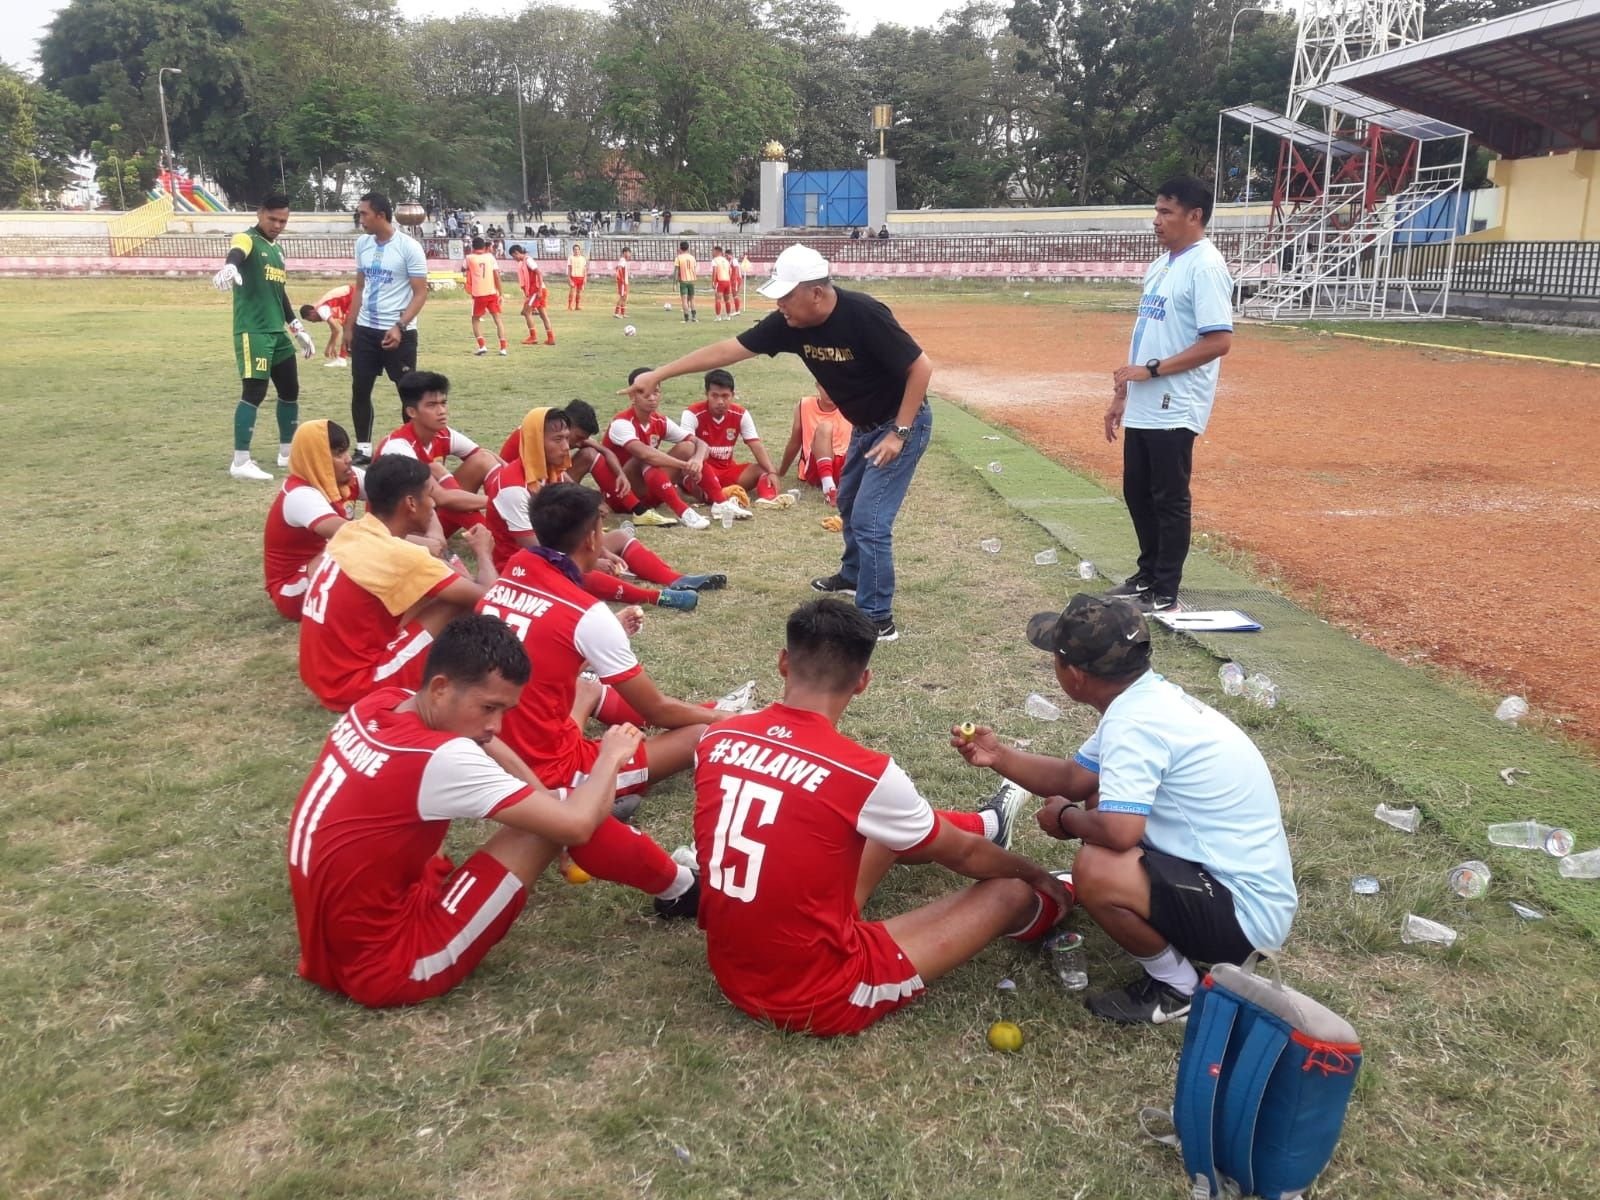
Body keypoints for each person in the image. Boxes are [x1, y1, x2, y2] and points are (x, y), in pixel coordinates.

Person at [691, 598, 1071, 1037]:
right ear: (863, 682)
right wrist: (1037, 874)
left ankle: (990, 825)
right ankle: (1057, 900)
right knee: (1009, 891)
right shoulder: (865, 773)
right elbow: (964, 855)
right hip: (815, 995)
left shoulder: (716, 736)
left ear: (783, 662)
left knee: (882, 826)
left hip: (731, 966)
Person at [286, 613, 688, 1009]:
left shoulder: (382, 703)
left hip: (336, 937)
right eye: (489, 707)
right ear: (440, 689)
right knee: (561, 816)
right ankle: (683, 890)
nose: (496, 725)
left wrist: (549, 801)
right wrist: (609, 758)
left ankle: (643, 855)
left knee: (554, 808)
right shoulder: (441, 758)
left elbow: (490, 744)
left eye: (504, 711)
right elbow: (577, 826)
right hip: (392, 964)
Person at [953, 594, 1296, 1026]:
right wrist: (998, 755)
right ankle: (1163, 924)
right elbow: (1074, 778)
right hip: (1245, 898)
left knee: (1097, 867)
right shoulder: (1146, 700)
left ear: (1075, 675)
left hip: (1244, 924)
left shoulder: (1133, 723)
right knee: (1099, 797)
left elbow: (1118, 832)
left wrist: (1065, 819)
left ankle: (1179, 989)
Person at [624, 244, 933, 643]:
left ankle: (877, 617)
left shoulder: (864, 314)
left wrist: (899, 433)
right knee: (848, 501)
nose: (780, 305)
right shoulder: (790, 323)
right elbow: (728, 350)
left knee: (870, 519)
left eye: (786, 296)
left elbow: (920, 367)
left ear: (816, 293)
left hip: (901, 424)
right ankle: (854, 574)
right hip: (865, 425)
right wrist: (659, 374)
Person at [479, 483, 713, 825]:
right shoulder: (586, 613)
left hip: (492, 744)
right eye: (601, 529)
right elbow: (656, 709)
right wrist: (727, 719)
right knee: (699, 734)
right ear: (591, 539)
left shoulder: (513, 571)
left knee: (588, 687)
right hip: (547, 769)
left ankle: (708, 709)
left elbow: (546, 651)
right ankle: (725, 714)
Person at [1104, 175, 1235, 613]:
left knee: (1168, 496)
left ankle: (1164, 591)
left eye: (1166, 212)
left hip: (1175, 401)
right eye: (1156, 211)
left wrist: (1153, 370)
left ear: (1194, 216)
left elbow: (1218, 341)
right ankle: (1146, 575)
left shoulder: (1206, 266)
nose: (1156, 221)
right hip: (1144, 399)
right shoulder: (1162, 264)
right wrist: (1123, 391)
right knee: (1137, 492)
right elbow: (1148, 333)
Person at [298, 454, 497, 711]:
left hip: (320, 675)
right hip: (354, 687)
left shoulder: (354, 530)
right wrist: (483, 552)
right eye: (430, 495)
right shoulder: (400, 555)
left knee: (441, 586)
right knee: (456, 602)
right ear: (411, 503)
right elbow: (490, 597)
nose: (434, 504)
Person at [483, 407, 721, 611]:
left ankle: (677, 579)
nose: (566, 447)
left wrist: (601, 551)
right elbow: (537, 550)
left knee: (619, 537)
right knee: (579, 569)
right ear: (535, 441)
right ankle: (657, 597)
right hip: (521, 567)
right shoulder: (512, 488)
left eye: (566, 438)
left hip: (555, 550)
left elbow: (571, 526)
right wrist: (590, 560)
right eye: (557, 440)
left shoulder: (551, 472)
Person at [212, 193, 315, 481]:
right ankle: (240, 461)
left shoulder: (277, 250)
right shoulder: (247, 239)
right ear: (260, 213)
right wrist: (230, 266)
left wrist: (297, 327)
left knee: (290, 389)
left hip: (276, 333)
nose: (277, 225)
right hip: (253, 331)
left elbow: (279, 292)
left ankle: (287, 453)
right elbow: (237, 251)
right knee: (255, 392)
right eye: (273, 219)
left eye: (283, 221)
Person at [343, 192, 430, 465]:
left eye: (364, 214)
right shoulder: (362, 244)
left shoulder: (408, 247)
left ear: (381, 215)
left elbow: (420, 293)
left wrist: (399, 326)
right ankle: (363, 449)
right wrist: (349, 326)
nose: (360, 219)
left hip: (398, 332)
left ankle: (411, 449)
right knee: (360, 389)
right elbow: (360, 287)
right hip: (365, 330)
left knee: (407, 392)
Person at [610, 368, 750, 529]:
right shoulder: (621, 422)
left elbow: (701, 444)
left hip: (651, 493)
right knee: (643, 458)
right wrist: (684, 465)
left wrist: (697, 461)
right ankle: (684, 512)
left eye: (655, 392)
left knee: (688, 447)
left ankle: (720, 502)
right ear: (631, 396)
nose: (652, 397)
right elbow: (646, 455)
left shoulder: (660, 421)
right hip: (622, 496)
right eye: (643, 392)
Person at [376, 370, 498, 540]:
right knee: (438, 473)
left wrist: (513, 487)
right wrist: (497, 501)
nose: (441, 411)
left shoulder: (443, 434)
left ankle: (503, 526)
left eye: (443, 403)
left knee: (483, 459)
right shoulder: (398, 446)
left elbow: (485, 457)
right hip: (402, 533)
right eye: (431, 405)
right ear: (411, 412)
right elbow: (441, 497)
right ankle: (496, 536)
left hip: (432, 517)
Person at [263, 419, 362, 620]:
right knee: (350, 547)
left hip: (326, 567)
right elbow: (353, 535)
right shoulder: (299, 494)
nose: (348, 459)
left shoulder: (344, 477)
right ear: (317, 459)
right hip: (292, 588)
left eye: (346, 451)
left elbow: (399, 488)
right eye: (338, 453)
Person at [678, 368, 785, 506]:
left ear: (732, 395)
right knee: (691, 474)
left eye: (725, 396)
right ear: (707, 394)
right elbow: (686, 449)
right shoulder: (692, 413)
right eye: (715, 396)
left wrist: (772, 472)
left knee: (763, 469)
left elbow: (755, 445)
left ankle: (769, 500)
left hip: (727, 470)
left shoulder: (741, 413)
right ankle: (717, 495)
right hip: (703, 471)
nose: (720, 401)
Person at [776, 385, 852, 507]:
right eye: (825, 386)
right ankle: (829, 488)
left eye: (834, 385)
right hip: (816, 466)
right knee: (825, 427)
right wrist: (781, 471)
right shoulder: (805, 405)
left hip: (845, 465)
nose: (830, 391)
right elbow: (795, 442)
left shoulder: (850, 405)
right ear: (817, 385)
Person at [462, 236, 509, 356]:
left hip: (478, 294)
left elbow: (463, 269)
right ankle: (503, 348)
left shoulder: (469, 258)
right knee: (498, 320)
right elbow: (496, 276)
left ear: (473, 247)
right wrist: (501, 293)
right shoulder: (490, 257)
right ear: (484, 246)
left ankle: (482, 346)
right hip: (492, 292)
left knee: (475, 320)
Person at [508, 245, 554, 346]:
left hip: (536, 290)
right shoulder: (524, 262)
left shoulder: (528, 260)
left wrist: (539, 290)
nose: (514, 259)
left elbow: (539, 273)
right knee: (543, 314)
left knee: (526, 312)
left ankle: (533, 337)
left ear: (516, 253)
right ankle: (550, 338)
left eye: (513, 256)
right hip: (537, 290)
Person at [298, 283, 353, 367]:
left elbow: (336, 330)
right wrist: (333, 345)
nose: (313, 322)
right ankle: (344, 357)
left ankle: (343, 359)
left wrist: (329, 347)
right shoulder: (323, 307)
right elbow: (334, 330)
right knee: (347, 326)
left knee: (349, 326)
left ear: (312, 312)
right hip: (350, 296)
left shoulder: (321, 309)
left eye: (310, 320)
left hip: (352, 294)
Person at [673, 240, 698, 323]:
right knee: (692, 299)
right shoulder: (692, 257)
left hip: (683, 280)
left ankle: (686, 318)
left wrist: (675, 284)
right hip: (692, 280)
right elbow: (694, 268)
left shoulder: (678, 258)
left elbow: (676, 271)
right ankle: (694, 317)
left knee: (684, 300)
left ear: (680, 248)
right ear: (688, 248)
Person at [709, 245, 733, 321]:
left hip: (720, 281)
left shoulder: (715, 260)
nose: (712, 253)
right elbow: (730, 271)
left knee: (718, 300)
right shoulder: (726, 260)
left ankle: (718, 317)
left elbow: (715, 271)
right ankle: (728, 316)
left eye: (713, 251)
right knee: (727, 300)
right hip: (727, 281)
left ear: (717, 252)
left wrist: (713, 282)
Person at [566, 241, 588, 311]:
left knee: (579, 292)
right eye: (575, 249)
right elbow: (569, 268)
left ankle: (577, 306)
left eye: (578, 249)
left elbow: (585, 269)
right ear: (573, 250)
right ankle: (569, 306)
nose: (576, 251)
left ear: (579, 250)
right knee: (572, 291)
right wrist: (569, 278)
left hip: (581, 277)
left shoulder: (583, 258)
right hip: (573, 277)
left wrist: (585, 278)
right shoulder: (570, 258)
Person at [613, 246, 631, 319]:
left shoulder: (624, 261)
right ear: (624, 253)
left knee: (625, 297)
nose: (629, 255)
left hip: (625, 282)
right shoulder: (622, 260)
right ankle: (616, 313)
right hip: (622, 282)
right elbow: (618, 269)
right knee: (622, 297)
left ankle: (623, 313)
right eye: (628, 253)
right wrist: (621, 279)